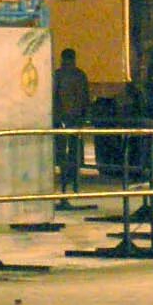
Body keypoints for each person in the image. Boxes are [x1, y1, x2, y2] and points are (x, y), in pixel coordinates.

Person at [53, 46, 91, 197]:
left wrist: (56, 116)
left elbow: (54, 96)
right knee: (75, 150)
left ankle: (64, 179)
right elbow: (85, 97)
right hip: (75, 118)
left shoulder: (57, 75)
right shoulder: (80, 75)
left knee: (62, 151)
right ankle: (74, 180)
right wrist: (84, 116)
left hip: (61, 118)